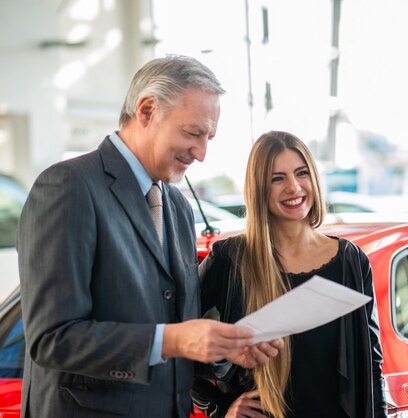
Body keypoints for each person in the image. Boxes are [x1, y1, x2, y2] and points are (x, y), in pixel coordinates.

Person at [17, 55, 282, 418]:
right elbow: (53, 340)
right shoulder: (68, 187)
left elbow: (173, 333)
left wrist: (219, 350)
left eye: (209, 138)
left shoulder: (177, 205)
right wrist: (176, 339)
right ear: (146, 111)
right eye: (192, 133)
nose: (202, 154)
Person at [191, 131, 387, 418]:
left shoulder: (350, 260)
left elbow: (372, 362)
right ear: (259, 188)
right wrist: (221, 409)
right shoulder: (230, 259)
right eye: (277, 178)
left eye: (301, 173)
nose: (294, 187)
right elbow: (177, 340)